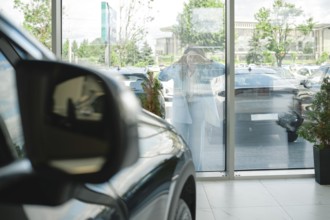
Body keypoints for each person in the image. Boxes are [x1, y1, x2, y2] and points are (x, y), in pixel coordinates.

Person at [159, 47, 225, 170]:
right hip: (180, 109)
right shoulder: (179, 69)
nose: (192, 60)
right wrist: (175, 64)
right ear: (185, 58)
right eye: (189, 57)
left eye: (195, 57)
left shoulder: (205, 70)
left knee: (197, 144)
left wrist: (206, 60)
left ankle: (196, 171)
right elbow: (161, 76)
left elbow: (224, 69)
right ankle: (181, 171)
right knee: (180, 142)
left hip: (198, 109)